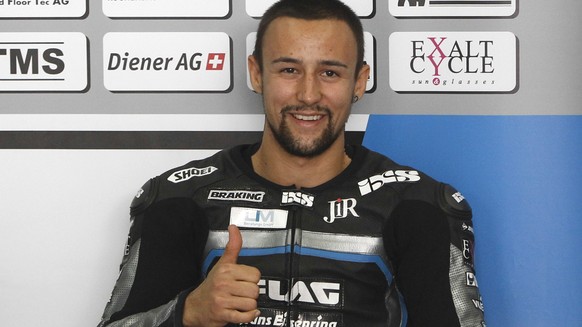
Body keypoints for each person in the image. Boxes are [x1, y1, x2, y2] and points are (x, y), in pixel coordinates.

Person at [97, 0, 485, 326]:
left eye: (329, 72)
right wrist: (186, 312)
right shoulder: (181, 196)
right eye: (289, 70)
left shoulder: (416, 204)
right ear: (256, 73)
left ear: (359, 82)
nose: (308, 94)